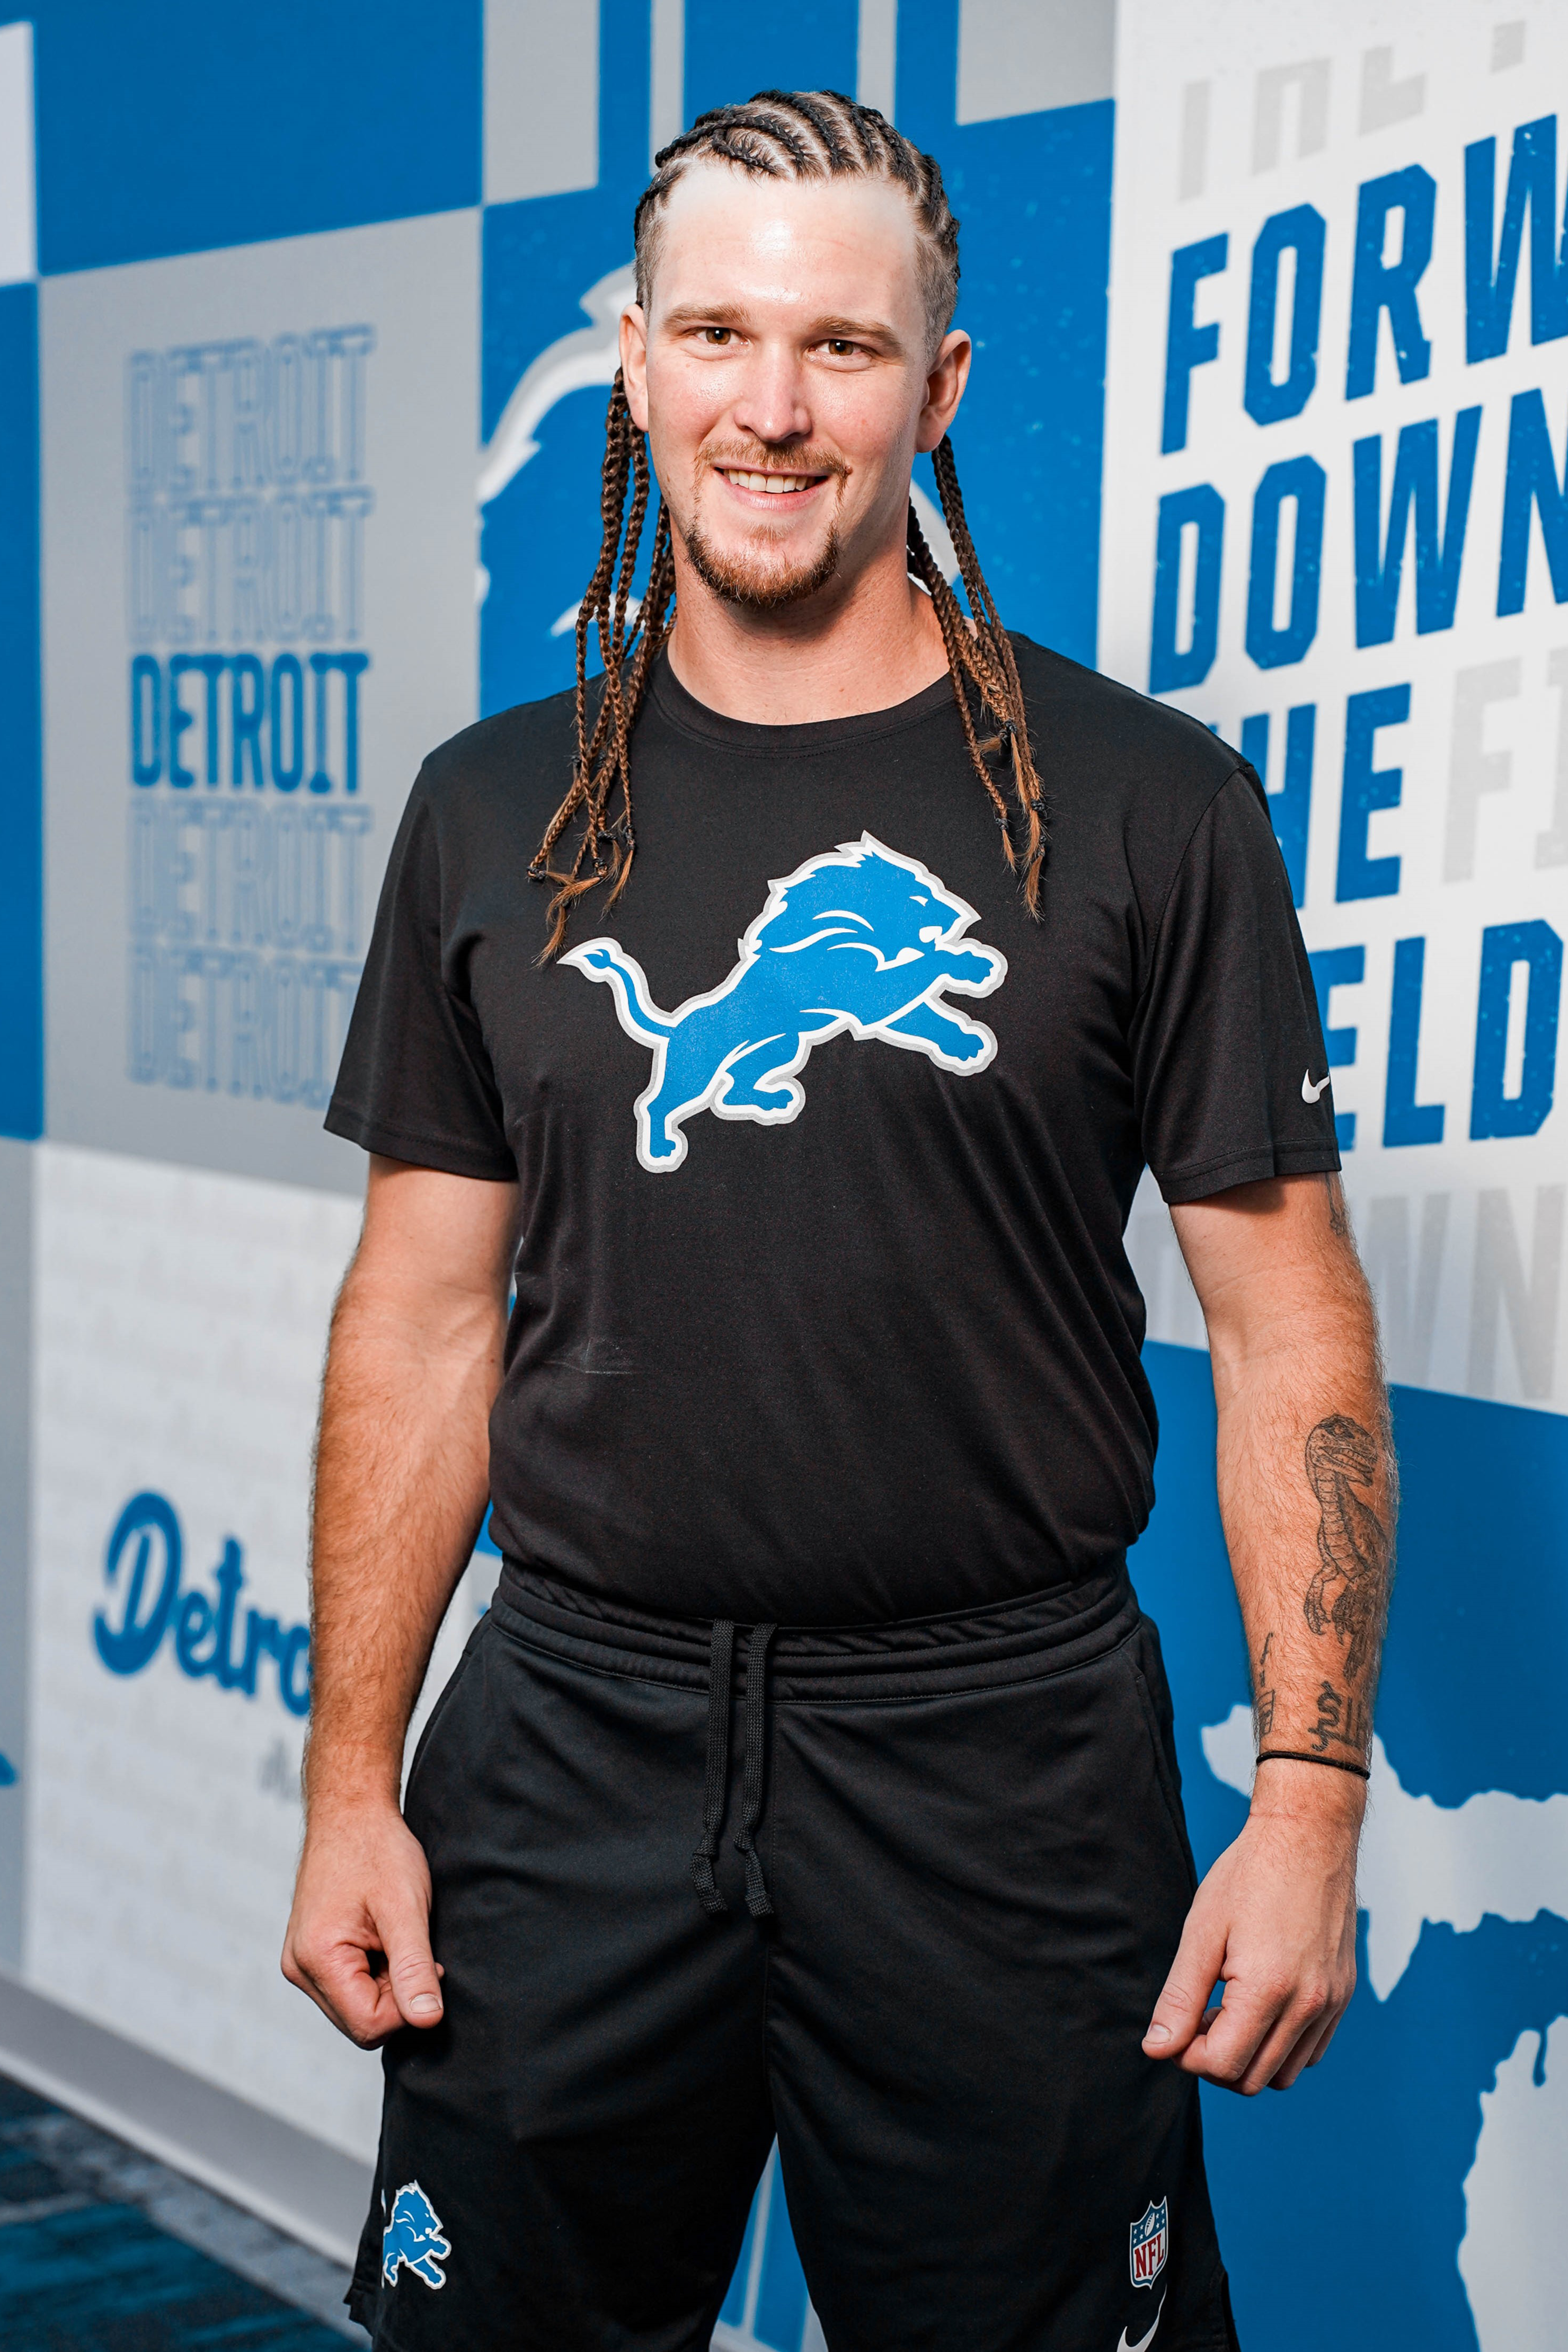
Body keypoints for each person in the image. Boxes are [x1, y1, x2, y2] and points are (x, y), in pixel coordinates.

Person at [282, 89, 1390, 2352]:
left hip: (1006, 1765)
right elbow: (418, 1314)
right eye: (715, 334)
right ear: (636, 362)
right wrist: (343, 1774)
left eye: (842, 350)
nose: (770, 411)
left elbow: (1286, 1324)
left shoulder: (1150, 801)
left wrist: (1309, 1796)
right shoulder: (495, 806)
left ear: (940, 385)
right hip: (571, 1735)